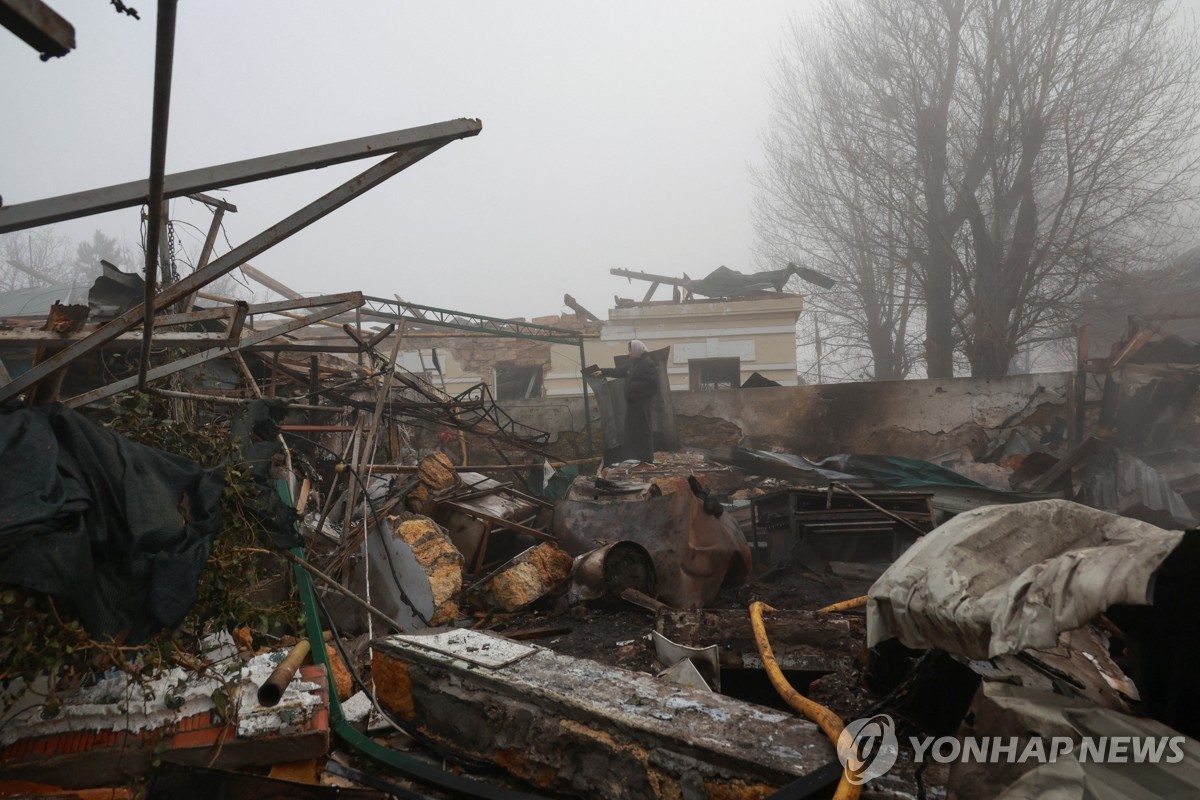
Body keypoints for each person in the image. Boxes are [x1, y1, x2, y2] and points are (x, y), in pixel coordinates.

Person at [591, 340, 658, 463]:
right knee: (633, 432)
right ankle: (636, 459)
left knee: (643, 432)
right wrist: (603, 371)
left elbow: (652, 384)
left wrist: (630, 386)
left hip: (642, 405)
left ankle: (646, 459)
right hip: (634, 405)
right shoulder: (636, 363)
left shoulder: (647, 364)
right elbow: (620, 371)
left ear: (637, 351)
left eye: (630, 351)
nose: (629, 353)